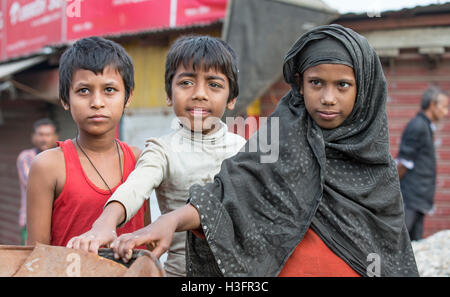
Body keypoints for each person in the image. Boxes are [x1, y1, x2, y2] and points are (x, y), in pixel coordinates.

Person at [109, 24, 419, 277]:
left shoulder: (376, 170)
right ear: (299, 84)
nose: (327, 97)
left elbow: (390, 254)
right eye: (316, 83)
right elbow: (235, 194)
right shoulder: (279, 141)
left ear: (364, 90)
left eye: (342, 86)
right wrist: (171, 221)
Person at [66, 35, 247, 277]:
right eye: (186, 83)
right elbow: (135, 187)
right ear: (169, 95)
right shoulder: (162, 150)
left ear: (232, 98)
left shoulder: (245, 149)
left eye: (214, 84)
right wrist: (105, 223)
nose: (199, 94)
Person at [26, 36, 149, 247]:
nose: (97, 103)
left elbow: (144, 241)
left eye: (109, 90)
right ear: (65, 99)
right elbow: (35, 256)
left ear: (128, 97)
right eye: (84, 91)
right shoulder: (48, 166)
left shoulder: (140, 160)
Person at [397, 86, 449, 241]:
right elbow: (403, 163)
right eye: (444, 107)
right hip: (410, 198)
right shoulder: (418, 126)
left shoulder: (425, 126)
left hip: (419, 199)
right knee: (402, 242)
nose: (446, 112)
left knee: (416, 244)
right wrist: (393, 190)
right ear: (433, 105)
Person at [17, 118, 58, 245]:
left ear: (55, 136)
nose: (44, 139)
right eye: (40, 134)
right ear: (33, 137)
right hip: (30, 220)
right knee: (30, 259)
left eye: (48, 135)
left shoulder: (60, 156)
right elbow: (35, 186)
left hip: (56, 222)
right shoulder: (26, 157)